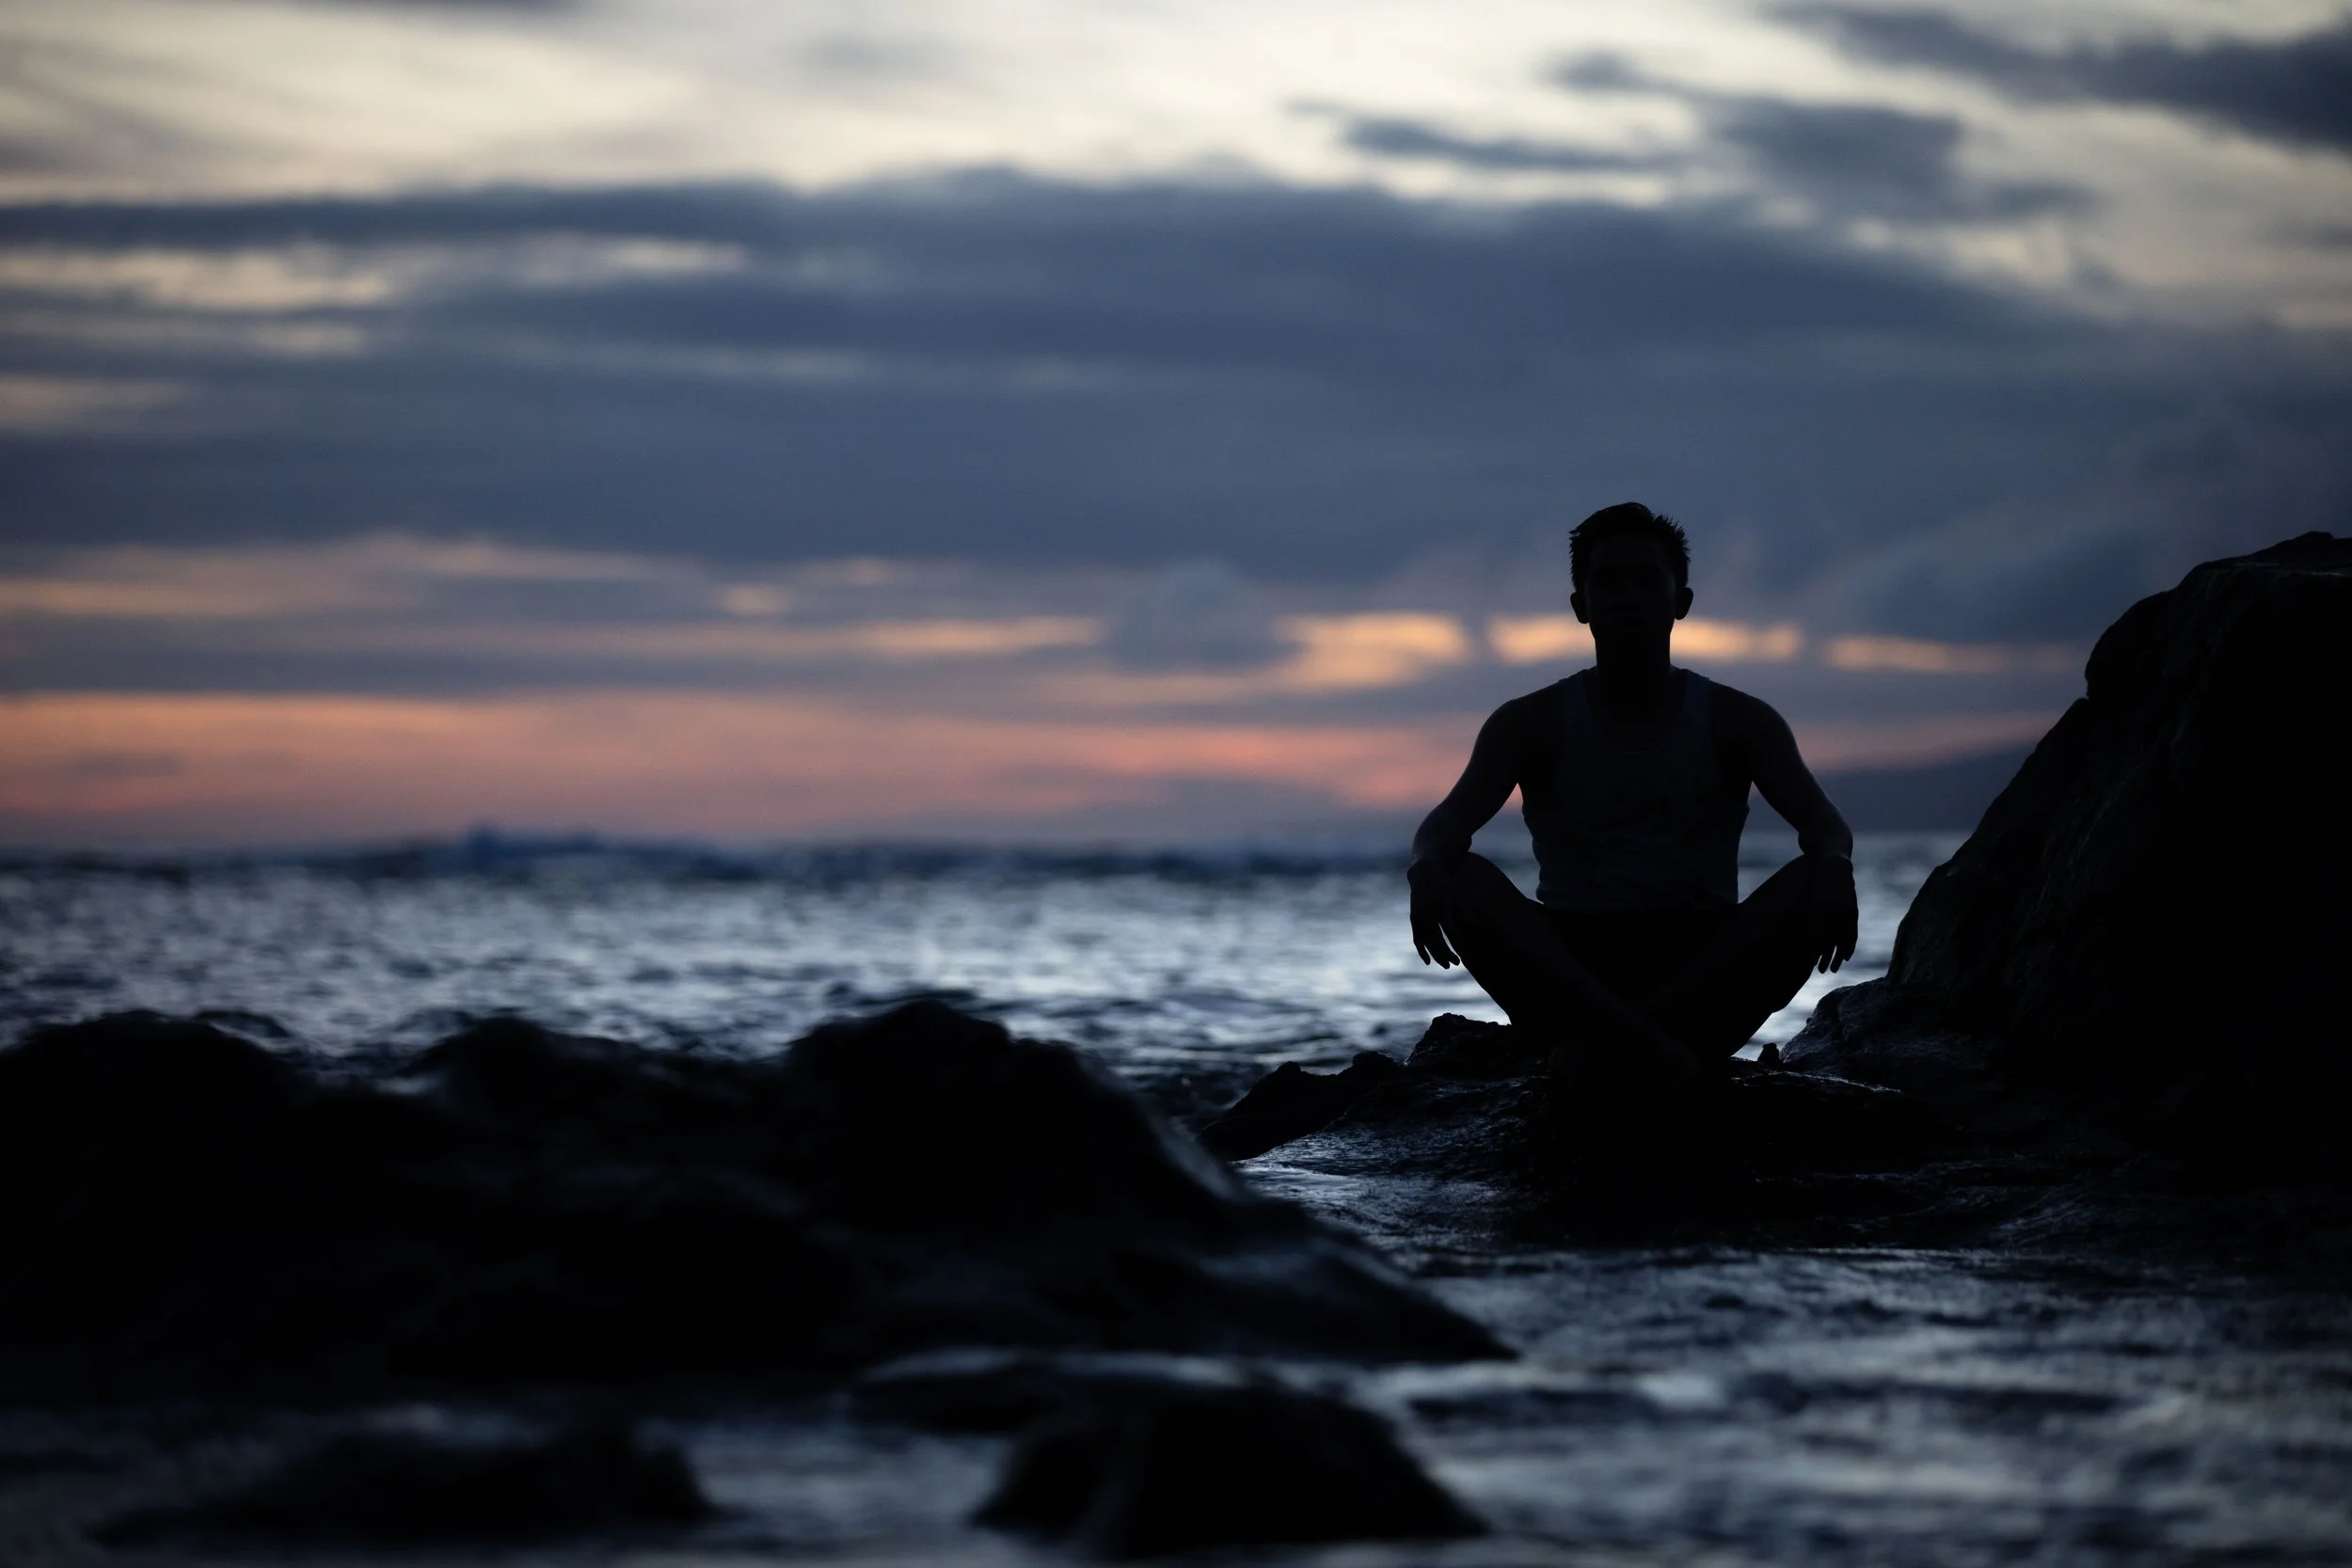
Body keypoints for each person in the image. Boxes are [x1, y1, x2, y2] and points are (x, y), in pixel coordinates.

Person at [1406, 502, 1857, 1093]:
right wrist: (1424, 869)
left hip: (1705, 969)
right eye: (1608, 582)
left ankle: (1619, 1041)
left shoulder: (1739, 721)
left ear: (1682, 602)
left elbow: (1825, 827)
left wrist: (1835, 866)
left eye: (1647, 580)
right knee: (1459, 875)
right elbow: (1442, 828)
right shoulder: (1529, 723)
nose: (1628, 597)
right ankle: (1647, 1042)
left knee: (1810, 880)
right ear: (1580, 606)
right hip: (1568, 969)